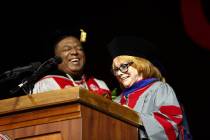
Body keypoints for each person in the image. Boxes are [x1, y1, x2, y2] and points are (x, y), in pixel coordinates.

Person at [107, 36, 184, 140]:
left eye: (123, 66)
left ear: (140, 65)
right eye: (115, 70)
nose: (119, 73)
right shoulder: (117, 101)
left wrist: (134, 117)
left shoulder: (159, 89)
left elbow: (172, 124)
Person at [32, 29, 111, 99]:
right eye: (67, 49)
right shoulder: (47, 84)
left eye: (79, 49)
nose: (74, 52)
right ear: (56, 58)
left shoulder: (99, 84)